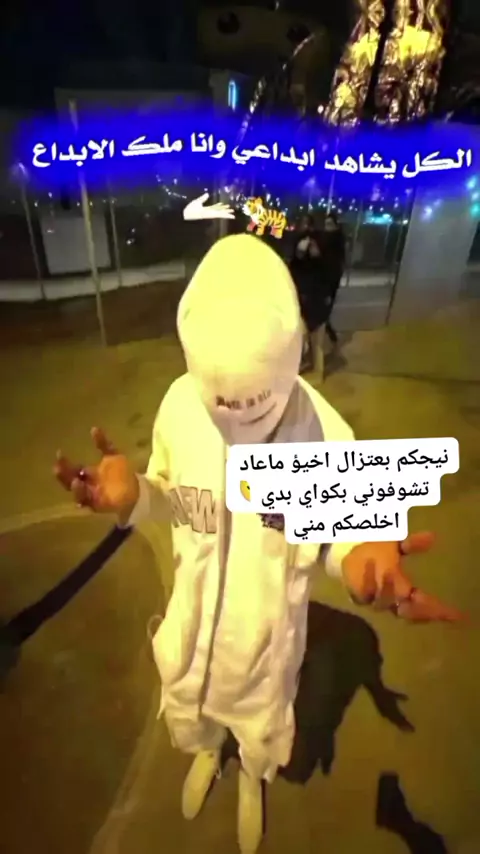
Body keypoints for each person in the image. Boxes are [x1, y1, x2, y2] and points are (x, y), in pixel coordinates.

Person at [54, 234, 462, 854]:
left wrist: (359, 563)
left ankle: (250, 775)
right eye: (223, 408)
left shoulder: (323, 432)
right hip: (195, 628)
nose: (239, 426)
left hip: (265, 644)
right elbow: (178, 502)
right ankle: (209, 750)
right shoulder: (179, 407)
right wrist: (138, 494)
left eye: (257, 410)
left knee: (258, 730)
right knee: (201, 714)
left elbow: (335, 544)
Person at [289, 214, 329, 376]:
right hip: (305, 298)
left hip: (315, 299)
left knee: (316, 342)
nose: (305, 228)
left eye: (307, 225)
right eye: (303, 224)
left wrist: (312, 251)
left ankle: (318, 372)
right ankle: (305, 365)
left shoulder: (317, 246)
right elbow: (296, 262)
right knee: (305, 338)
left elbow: (320, 266)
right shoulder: (299, 246)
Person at [320, 211, 346, 348]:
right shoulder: (325, 241)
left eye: (330, 224)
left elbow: (336, 269)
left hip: (329, 284)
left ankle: (331, 338)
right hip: (322, 283)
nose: (327, 228)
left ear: (336, 226)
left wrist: (330, 290)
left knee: (323, 314)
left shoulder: (336, 243)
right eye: (326, 225)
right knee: (322, 314)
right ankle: (330, 338)